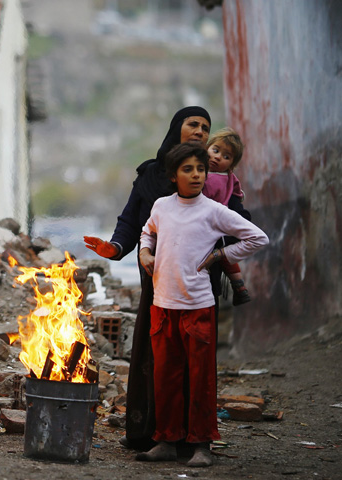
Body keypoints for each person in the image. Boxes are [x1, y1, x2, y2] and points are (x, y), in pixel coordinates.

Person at [83, 106, 250, 451]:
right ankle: (151, 433)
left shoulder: (214, 185)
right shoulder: (150, 176)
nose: (201, 132)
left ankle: (196, 440)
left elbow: (240, 227)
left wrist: (221, 248)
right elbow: (132, 222)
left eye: (206, 127)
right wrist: (115, 248)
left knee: (197, 361)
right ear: (178, 128)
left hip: (200, 286)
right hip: (156, 283)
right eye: (194, 124)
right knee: (154, 357)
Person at [135, 143, 268, 467]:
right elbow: (146, 232)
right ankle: (166, 440)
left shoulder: (214, 211)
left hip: (198, 306)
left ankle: (202, 445)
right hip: (163, 306)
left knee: (200, 380)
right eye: (188, 170)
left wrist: (222, 255)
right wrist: (145, 252)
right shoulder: (162, 207)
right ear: (172, 176)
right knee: (165, 377)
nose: (196, 175)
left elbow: (257, 238)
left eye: (200, 170)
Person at [203, 127, 250, 305]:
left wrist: (237, 204)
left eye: (226, 156)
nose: (217, 157)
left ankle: (238, 286)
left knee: (223, 254)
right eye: (215, 150)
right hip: (206, 224)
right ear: (207, 148)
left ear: (231, 164)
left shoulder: (226, 176)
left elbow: (237, 193)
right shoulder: (198, 169)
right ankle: (239, 286)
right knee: (224, 255)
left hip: (217, 223)